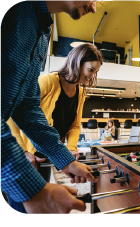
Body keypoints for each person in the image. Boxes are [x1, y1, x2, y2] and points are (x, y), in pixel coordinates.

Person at [0, 0, 100, 214]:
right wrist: (28, 178)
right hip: (21, 156)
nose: (94, 7)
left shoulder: (43, 32)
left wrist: (64, 158)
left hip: (41, 155)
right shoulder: (15, 12)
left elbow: (26, 108)